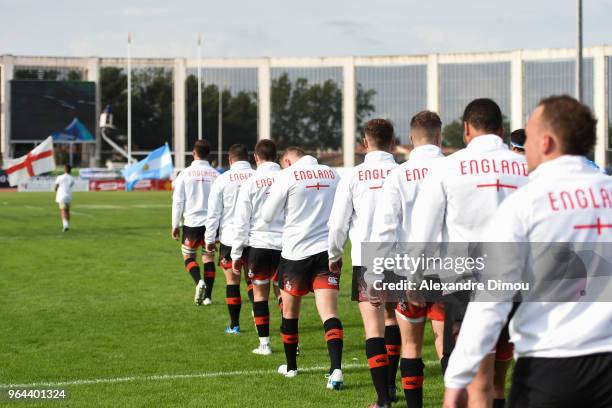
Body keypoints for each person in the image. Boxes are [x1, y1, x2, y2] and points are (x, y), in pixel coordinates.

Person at [444, 95, 612, 408]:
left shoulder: (526, 203)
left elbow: (493, 297)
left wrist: (458, 376)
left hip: (550, 367)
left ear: (546, 142)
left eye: (529, 138)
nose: (521, 148)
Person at [409, 98, 529, 407]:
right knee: (503, 381)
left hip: (467, 284)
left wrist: (413, 277)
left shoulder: (446, 167)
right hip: (519, 282)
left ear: (465, 129)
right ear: (501, 130)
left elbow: (424, 231)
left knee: (477, 383)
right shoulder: (527, 167)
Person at [371, 111, 445, 408]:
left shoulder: (398, 174)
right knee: (445, 342)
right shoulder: (453, 169)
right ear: (440, 137)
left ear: (412, 139)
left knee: (411, 344)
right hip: (450, 268)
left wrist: (374, 275)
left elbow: (384, 229)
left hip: (408, 270)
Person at [327, 119, 399, 407]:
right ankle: (392, 386)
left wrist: (334, 255)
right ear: (393, 142)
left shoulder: (354, 175)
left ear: (364, 143)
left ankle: (382, 399)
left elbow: (337, 224)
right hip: (401, 254)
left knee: (374, 328)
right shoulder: (402, 172)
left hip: (368, 256)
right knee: (395, 320)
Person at [261, 147, 344, 390]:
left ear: (287, 161)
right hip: (326, 252)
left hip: (295, 253)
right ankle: (336, 368)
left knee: (290, 313)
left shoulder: (287, 176)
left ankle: (291, 367)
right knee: (329, 312)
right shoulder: (331, 174)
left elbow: (267, 216)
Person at [231, 139, 283, 355]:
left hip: (258, 244)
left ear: (256, 157)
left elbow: (242, 220)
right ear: (277, 156)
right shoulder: (286, 177)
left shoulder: (251, 182)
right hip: (284, 244)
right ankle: (293, 342)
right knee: (285, 295)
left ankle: (265, 344)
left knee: (260, 295)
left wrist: (236, 252)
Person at [205, 144, 255, 334]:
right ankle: (257, 315)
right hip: (254, 238)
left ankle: (234, 325)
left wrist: (210, 239)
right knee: (254, 282)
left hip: (229, 238)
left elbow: (214, 213)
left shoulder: (222, 179)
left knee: (232, 282)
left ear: (230, 159)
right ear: (249, 158)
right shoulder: (258, 177)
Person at [171, 140, 219, 305]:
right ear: (208, 154)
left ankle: (199, 281)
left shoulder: (184, 174)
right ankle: (208, 297)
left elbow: (178, 201)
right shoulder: (215, 174)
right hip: (211, 223)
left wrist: (175, 224)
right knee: (209, 257)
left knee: (189, 255)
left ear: (193, 153)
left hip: (192, 222)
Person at [55, 164, 75, 232]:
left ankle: (65, 225)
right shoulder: (72, 178)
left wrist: (56, 189)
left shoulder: (59, 177)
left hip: (61, 196)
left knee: (63, 210)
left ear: (65, 169)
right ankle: (67, 225)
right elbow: (70, 185)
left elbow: (56, 187)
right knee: (67, 211)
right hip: (69, 196)